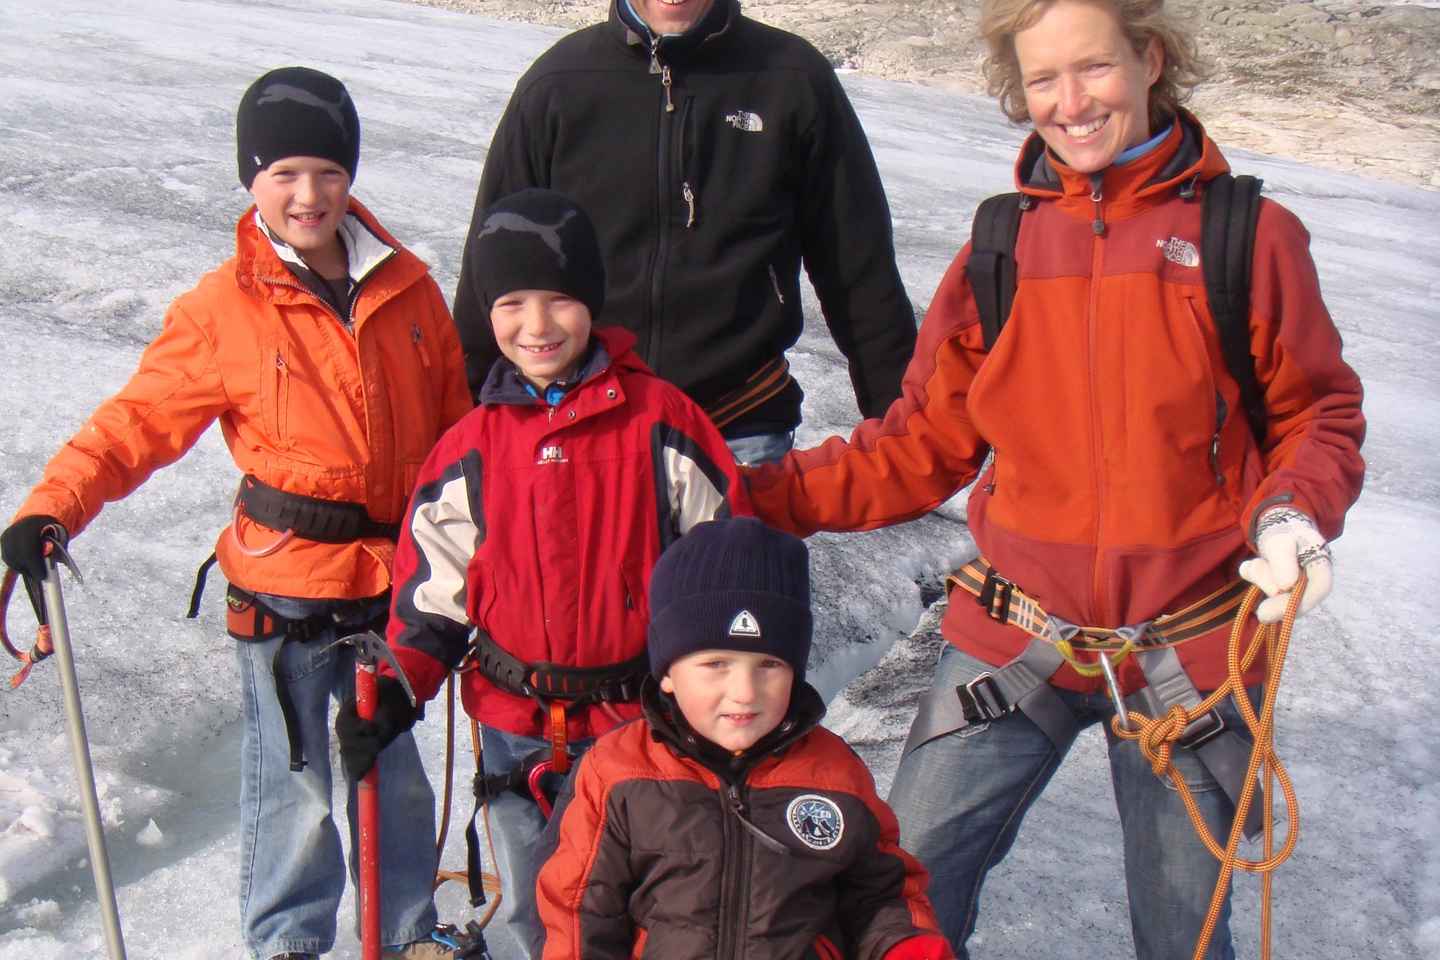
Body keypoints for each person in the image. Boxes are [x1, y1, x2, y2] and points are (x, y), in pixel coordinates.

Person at [742, 1, 1367, 957]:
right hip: (1013, 639)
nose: (1070, 103)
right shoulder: (1004, 249)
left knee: (1184, 936)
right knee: (900, 901)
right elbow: (920, 445)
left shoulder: (1248, 237)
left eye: (1094, 68)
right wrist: (743, 495)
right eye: (1043, 79)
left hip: (1190, 658)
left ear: (1150, 58)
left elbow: (1317, 412)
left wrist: (1292, 511)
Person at [0, 67, 470, 960]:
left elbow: (461, 438)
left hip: (396, 583)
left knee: (396, 775)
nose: (309, 195)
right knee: (295, 785)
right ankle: (288, 941)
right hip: (286, 585)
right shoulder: (224, 308)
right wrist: (52, 505)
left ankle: (410, 933)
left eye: (328, 172)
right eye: (285, 173)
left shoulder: (411, 290)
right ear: (252, 177)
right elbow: (136, 421)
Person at [334, 189, 752, 960]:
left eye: (559, 299)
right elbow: (434, 595)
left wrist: (721, 693)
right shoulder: (472, 444)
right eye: (512, 303)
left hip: (633, 723)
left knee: (639, 908)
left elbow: (725, 569)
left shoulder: (660, 421)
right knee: (536, 910)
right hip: (513, 726)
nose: (536, 325)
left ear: (591, 301)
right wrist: (397, 688)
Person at [453, 0, 918, 465]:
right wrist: (463, 431)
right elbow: (494, 264)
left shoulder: (792, 79)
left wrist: (904, 428)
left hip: (738, 429)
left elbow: (858, 265)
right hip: (585, 429)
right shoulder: (558, 83)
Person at [535, 516, 954, 960]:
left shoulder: (835, 773)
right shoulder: (617, 772)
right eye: (716, 664)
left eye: (769, 665)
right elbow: (578, 911)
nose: (745, 692)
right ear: (668, 674)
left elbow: (880, 893)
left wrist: (904, 945)